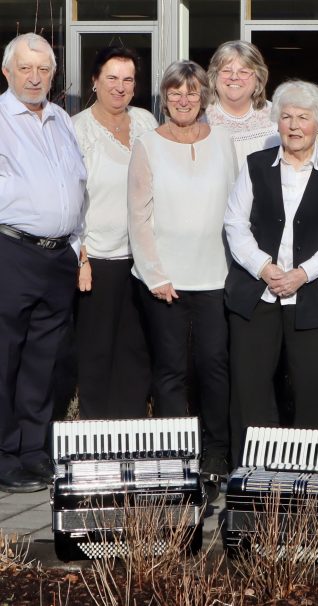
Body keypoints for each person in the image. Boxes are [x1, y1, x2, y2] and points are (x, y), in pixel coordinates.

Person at [225, 80, 318, 444]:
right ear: (277, 122)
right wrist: (263, 267)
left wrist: (302, 274)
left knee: (313, 392)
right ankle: (256, 480)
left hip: (313, 297)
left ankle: (311, 483)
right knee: (250, 390)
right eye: (286, 117)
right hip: (257, 295)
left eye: (304, 117)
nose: (295, 125)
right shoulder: (255, 166)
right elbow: (235, 223)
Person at [128, 61, 236, 478]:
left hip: (216, 276)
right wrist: (155, 274)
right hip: (165, 281)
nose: (184, 100)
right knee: (171, 370)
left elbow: (237, 206)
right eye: (175, 92)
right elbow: (138, 216)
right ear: (164, 97)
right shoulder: (147, 144)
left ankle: (216, 453)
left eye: (192, 92)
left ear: (204, 96)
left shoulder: (223, 141)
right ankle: (176, 457)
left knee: (214, 366)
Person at [0, 34, 86, 493]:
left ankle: (32, 452)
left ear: (54, 74)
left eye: (44, 70)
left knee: (42, 361)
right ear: (7, 72)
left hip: (57, 258)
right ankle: (4, 454)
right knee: (5, 358)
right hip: (11, 252)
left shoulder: (60, 121)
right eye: (25, 68)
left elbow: (76, 188)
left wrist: (76, 247)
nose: (35, 78)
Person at [71, 46, 158, 420]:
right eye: (111, 78)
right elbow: (70, 202)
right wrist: (82, 257)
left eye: (128, 79)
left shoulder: (145, 122)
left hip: (141, 260)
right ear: (94, 81)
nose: (120, 87)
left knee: (135, 353)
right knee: (96, 353)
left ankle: (131, 437)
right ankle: (95, 437)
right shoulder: (76, 130)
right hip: (98, 261)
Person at [205, 40, 279, 170]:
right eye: (226, 71)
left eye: (243, 72)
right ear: (214, 76)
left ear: (258, 79)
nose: (234, 77)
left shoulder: (277, 117)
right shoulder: (200, 117)